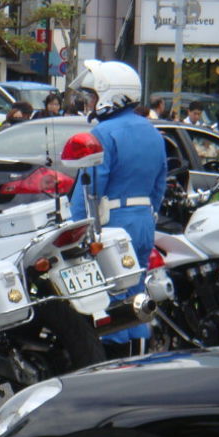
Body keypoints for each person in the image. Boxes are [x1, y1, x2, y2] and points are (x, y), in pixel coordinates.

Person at [69, 60, 167, 358]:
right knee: (135, 294)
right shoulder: (152, 132)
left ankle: (114, 367)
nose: (91, 104)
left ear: (110, 94)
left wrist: (75, 231)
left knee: (111, 299)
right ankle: (137, 362)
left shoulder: (103, 133)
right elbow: (159, 184)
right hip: (142, 220)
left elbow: (90, 188)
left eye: (94, 96)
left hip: (112, 223)